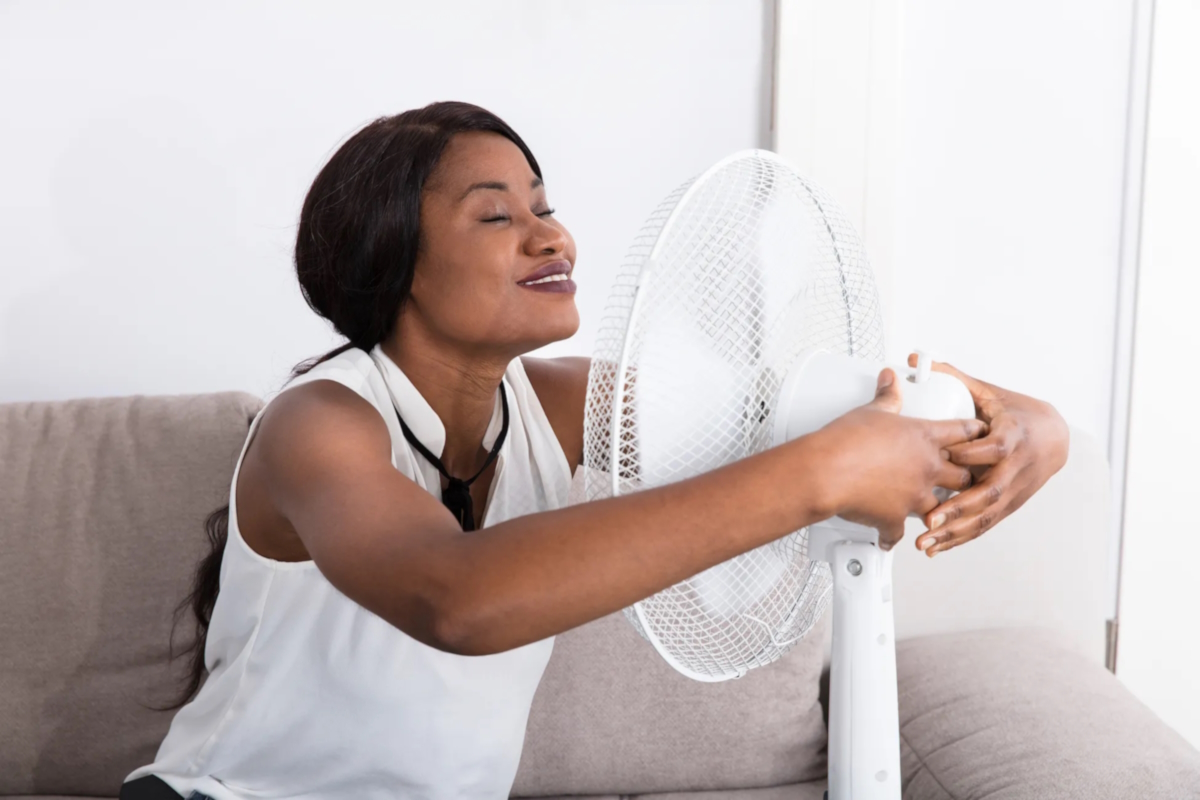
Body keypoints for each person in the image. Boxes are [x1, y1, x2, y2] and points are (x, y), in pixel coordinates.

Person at [120, 101, 1069, 800]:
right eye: (498, 216)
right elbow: (457, 599)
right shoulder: (319, 423)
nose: (552, 233)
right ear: (391, 259)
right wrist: (818, 476)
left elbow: (821, 406)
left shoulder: (558, 402)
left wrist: (1033, 426)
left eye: (545, 204)